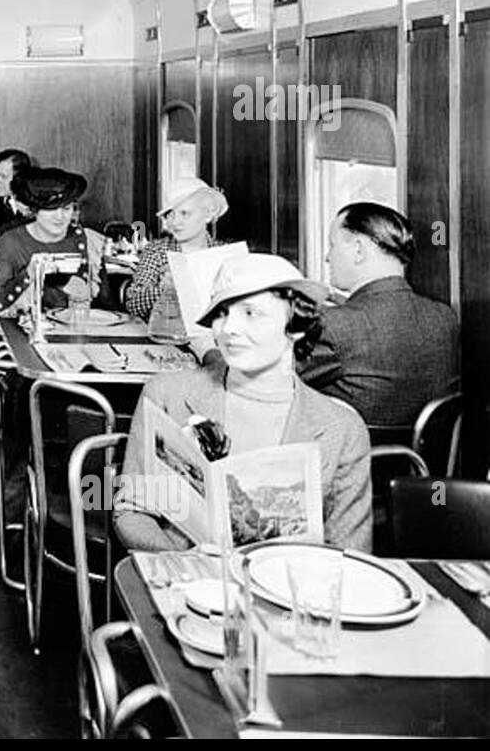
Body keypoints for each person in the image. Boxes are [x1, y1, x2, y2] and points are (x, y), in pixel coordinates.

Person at [114, 253, 372, 553]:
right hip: (184, 585)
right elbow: (131, 509)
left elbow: (351, 553)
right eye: (222, 313)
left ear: (296, 325)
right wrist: (181, 558)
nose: (228, 329)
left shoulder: (341, 429)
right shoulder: (167, 395)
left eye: (250, 313)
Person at [299, 202, 460, 429]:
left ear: (358, 250)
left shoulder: (334, 326)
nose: (327, 257)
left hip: (349, 461)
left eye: (332, 245)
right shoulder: (444, 318)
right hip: (421, 462)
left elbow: (274, 381)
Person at [0, 167, 106, 319]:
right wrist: (28, 275)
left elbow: (107, 305)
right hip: (26, 333)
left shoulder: (86, 239)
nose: (60, 217)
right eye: (51, 209)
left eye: (66, 208)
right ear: (35, 210)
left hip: (77, 330)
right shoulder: (11, 241)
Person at [124, 177, 228, 321]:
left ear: (208, 214)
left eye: (184, 213)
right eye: (169, 215)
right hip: (166, 336)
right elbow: (133, 304)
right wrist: (169, 290)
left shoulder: (225, 255)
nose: (175, 222)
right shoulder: (157, 251)